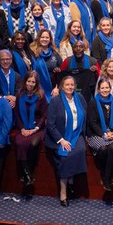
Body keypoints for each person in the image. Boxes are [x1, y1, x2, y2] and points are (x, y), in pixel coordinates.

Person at [47, 74, 89, 206]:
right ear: (61, 87)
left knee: (79, 150)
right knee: (64, 157)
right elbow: (50, 124)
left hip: (77, 134)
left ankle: (71, 180)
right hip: (61, 136)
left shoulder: (80, 98)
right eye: (67, 85)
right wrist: (61, 140)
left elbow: (85, 117)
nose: (70, 87)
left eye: (72, 85)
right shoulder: (56, 101)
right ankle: (63, 191)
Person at [13, 71, 47, 200]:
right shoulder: (20, 95)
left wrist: (36, 128)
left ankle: (27, 173)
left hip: (38, 129)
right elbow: (17, 114)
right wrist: (22, 129)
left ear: (36, 83)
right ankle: (28, 176)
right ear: (25, 82)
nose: (31, 84)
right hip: (24, 128)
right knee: (20, 143)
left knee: (33, 144)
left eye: (33, 82)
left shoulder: (41, 96)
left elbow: (44, 114)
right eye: (29, 81)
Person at [85, 75, 113, 196]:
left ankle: (106, 177)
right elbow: (93, 123)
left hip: (112, 132)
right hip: (96, 133)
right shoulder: (93, 103)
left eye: (107, 88)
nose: (105, 90)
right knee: (103, 149)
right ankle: (107, 175)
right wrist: (104, 134)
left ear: (110, 89)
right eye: (102, 88)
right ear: (99, 89)